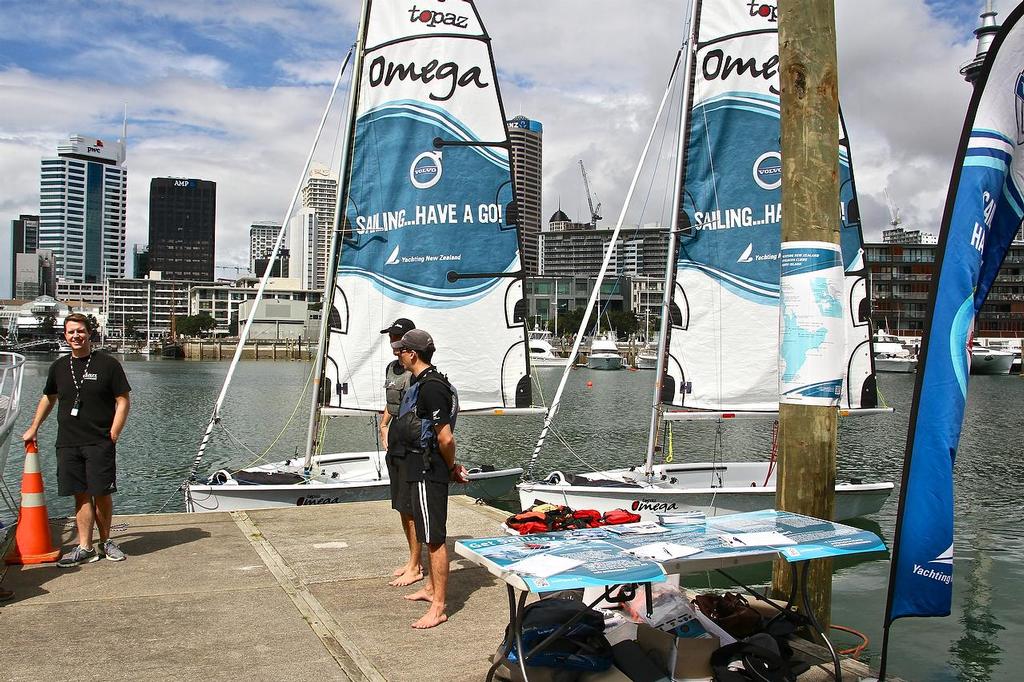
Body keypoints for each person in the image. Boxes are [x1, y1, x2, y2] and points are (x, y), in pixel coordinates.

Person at [22, 313, 131, 567]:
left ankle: (105, 542)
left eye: (80, 331)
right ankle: (85, 547)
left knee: (101, 493)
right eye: (71, 332)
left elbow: (123, 400)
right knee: (80, 495)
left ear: (89, 333)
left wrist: (114, 432)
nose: (76, 336)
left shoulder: (108, 365)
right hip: (68, 442)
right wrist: (33, 428)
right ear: (65, 336)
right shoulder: (59, 367)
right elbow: (49, 398)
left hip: (99, 440)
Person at [390, 328, 468, 629]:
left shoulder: (433, 386)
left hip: (428, 469)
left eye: (402, 350)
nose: (399, 354)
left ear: (413, 354)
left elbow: (446, 438)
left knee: (434, 539)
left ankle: (439, 608)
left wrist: (450, 468)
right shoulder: (422, 382)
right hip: (418, 466)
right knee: (425, 532)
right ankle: (431, 589)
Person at [378, 317, 423, 588]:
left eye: (397, 337)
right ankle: (411, 560)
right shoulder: (391, 369)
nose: (392, 342)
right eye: (391, 337)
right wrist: (384, 425)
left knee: (410, 504)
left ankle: (417, 565)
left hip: (411, 440)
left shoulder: (418, 372)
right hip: (395, 436)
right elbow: (391, 403)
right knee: (400, 505)